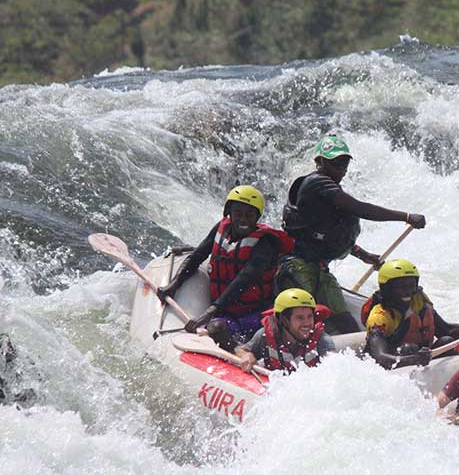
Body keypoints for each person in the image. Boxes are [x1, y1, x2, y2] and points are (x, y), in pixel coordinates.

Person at [278, 134, 427, 335]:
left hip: (320, 269)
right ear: (319, 162)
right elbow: (359, 208)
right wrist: (406, 216)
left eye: (344, 162)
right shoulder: (317, 184)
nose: (341, 167)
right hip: (297, 266)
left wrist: (363, 255)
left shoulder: (330, 190)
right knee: (303, 319)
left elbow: (326, 234)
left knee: (345, 323)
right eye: (335, 162)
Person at [157, 185, 293, 351]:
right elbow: (197, 257)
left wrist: (209, 312)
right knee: (217, 328)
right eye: (238, 213)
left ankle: (242, 353)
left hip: (256, 313)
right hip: (227, 312)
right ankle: (238, 350)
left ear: (258, 216)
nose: (243, 219)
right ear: (229, 212)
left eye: (250, 215)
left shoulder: (266, 242)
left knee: (215, 328)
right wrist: (174, 284)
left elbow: (245, 278)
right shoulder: (221, 228)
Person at [362, 258, 459, 369]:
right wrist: (414, 359)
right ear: (387, 289)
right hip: (395, 363)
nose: (407, 291)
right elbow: (380, 357)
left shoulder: (419, 301)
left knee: (446, 341)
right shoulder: (379, 317)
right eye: (401, 287)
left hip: (421, 357)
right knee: (408, 348)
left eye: (411, 285)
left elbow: (446, 330)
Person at [235, 288, 336, 374]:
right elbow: (241, 350)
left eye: (309, 316)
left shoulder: (322, 340)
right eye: (300, 317)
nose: (307, 323)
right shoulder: (265, 335)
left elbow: (334, 369)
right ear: (284, 320)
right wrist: (246, 355)